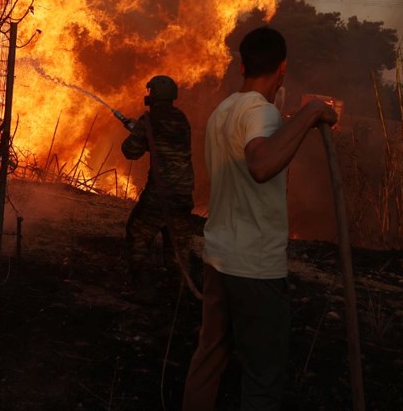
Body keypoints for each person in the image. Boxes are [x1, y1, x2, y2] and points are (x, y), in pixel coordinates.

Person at [182, 26, 338, 410]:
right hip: (254, 267)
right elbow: (262, 163)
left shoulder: (223, 111)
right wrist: (310, 111)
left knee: (208, 358)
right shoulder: (261, 112)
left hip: (218, 258)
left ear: (241, 65)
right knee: (262, 376)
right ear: (282, 67)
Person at [120, 75, 196, 303]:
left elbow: (130, 151)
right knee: (178, 244)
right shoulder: (181, 119)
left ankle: (143, 290)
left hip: (160, 194)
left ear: (152, 95)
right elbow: (164, 141)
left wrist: (137, 131)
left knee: (137, 233)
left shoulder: (149, 120)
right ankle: (180, 294)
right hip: (184, 194)